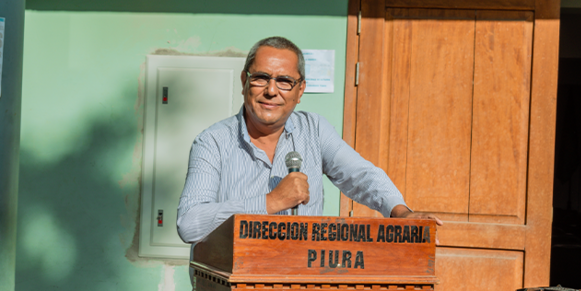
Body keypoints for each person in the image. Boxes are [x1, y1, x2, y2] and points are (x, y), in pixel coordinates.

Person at [177, 36, 441, 245]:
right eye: (261, 78)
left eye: (284, 81)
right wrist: (270, 202)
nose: (271, 91)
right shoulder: (212, 142)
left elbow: (361, 176)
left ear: (300, 90)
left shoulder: (314, 130)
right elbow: (189, 224)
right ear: (245, 80)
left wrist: (401, 213)